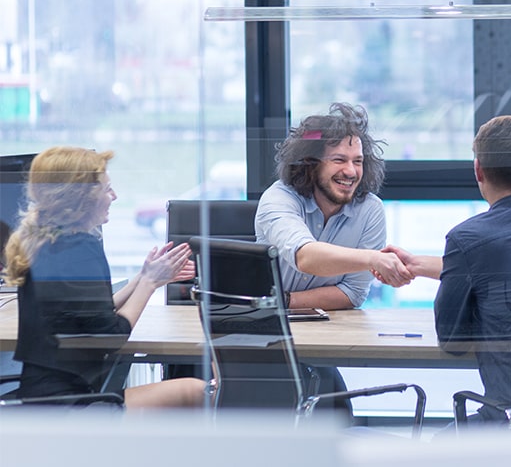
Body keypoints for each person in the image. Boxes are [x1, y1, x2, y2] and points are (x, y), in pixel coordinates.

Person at [379, 115, 511, 426]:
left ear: (478, 170)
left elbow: (451, 341)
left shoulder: (466, 238)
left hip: (507, 417)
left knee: (437, 445)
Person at [2, 146, 204, 409]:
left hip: (39, 395)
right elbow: (111, 335)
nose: (115, 196)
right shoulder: (80, 248)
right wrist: (149, 283)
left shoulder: (45, 243)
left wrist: (142, 277)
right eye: (107, 189)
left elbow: (94, 317)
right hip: (70, 405)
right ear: (82, 197)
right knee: (198, 392)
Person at [254, 101, 411, 417]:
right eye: (339, 159)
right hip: (266, 344)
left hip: (322, 343)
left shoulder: (370, 211)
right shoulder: (278, 198)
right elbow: (306, 257)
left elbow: (353, 294)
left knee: (335, 414)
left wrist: (284, 300)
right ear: (310, 164)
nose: (351, 171)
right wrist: (372, 259)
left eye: (358, 161)